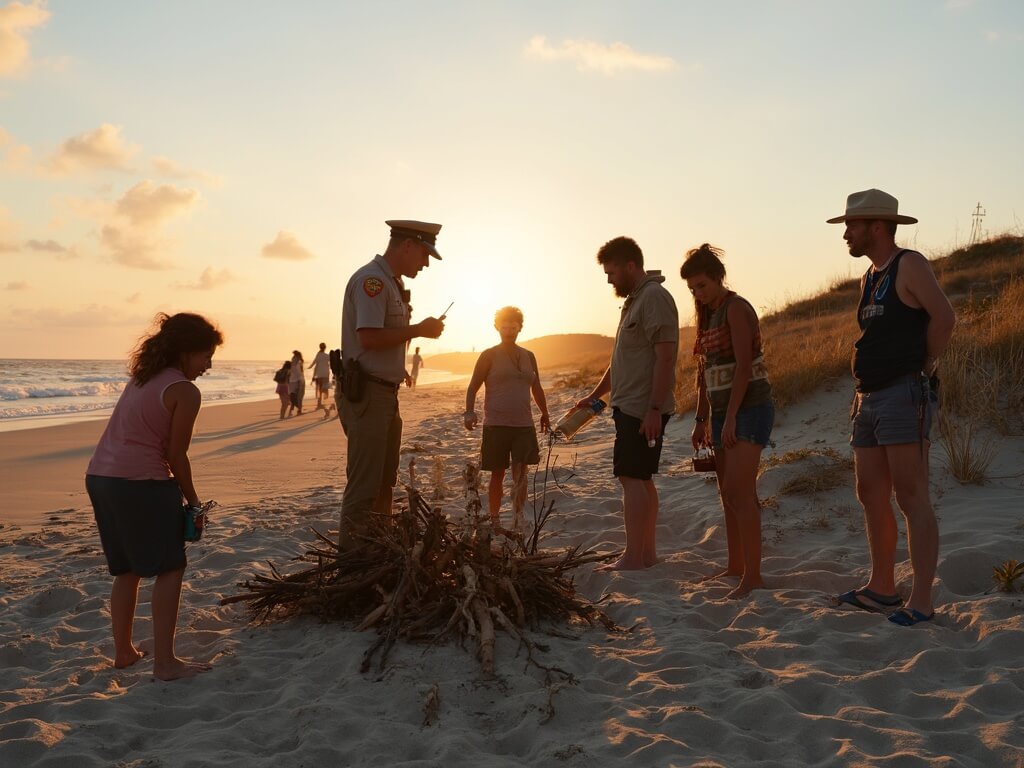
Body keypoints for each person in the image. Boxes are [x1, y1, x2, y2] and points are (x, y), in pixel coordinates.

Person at [826, 189, 955, 626]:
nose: (846, 233)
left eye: (851, 225)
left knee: (912, 497)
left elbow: (945, 317)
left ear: (877, 226)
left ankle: (921, 600)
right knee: (870, 494)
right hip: (868, 396)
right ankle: (882, 587)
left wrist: (922, 366)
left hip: (903, 393)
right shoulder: (870, 276)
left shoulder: (909, 264)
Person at [84, 312, 223, 681]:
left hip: (101, 477)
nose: (209, 364)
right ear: (186, 351)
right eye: (206, 355)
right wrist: (194, 503)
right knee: (171, 567)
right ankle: (164, 663)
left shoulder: (142, 377)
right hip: (139, 481)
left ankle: (125, 652)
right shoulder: (184, 391)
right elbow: (176, 455)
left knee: (127, 570)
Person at [336, 219, 446, 549]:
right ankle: (353, 563)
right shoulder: (373, 281)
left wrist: (400, 367)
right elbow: (368, 338)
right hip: (368, 394)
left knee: (385, 481)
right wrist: (418, 330)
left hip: (384, 392)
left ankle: (376, 550)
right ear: (408, 245)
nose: (425, 264)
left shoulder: (390, 283)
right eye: (424, 255)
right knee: (364, 486)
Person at [681, 244, 775, 599]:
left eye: (702, 286)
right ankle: (736, 566)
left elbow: (744, 367)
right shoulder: (707, 315)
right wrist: (702, 419)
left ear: (718, 278)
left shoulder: (736, 308)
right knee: (727, 495)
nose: (698, 294)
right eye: (692, 289)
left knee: (740, 491)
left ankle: (753, 576)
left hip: (750, 407)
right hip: (722, 411)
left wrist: (732, 415)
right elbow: (705, 374)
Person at [581, 236, 678, 571]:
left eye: (612, 272)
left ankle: (634, 556)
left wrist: (653, 409)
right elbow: (622, 358)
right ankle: (646, 554)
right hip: (632, 404)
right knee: (641, 478)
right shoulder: (635, 300)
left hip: (642, 407)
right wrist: (596, 394)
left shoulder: (654, 297)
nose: (609, 279)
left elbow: (666, 357)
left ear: (631, 266)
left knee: (631, 479)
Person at [464, 306, 551, 529]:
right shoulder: (489, 355)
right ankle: (494, 520)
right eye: (505, 327)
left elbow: (537, 387)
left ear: (519, 328)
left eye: (513, 327)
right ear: (497, 328)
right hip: (496, 424)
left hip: (523, 424)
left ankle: (517, 517)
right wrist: (469, 411)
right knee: (497, 474)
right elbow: (473, 386)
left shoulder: (529, 356)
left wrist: (545, 413)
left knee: (521, 473)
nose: (509, 331)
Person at [309, 342, 331, 409]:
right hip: (325, 374)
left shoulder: (318, 355)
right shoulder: (326, 356)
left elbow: (313, 364)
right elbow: (332, 362)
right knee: (324, 389)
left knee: (319, 389)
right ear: (325, 347)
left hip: (318, 375)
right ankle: (323, 403)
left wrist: (313, 375)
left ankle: (319, 404)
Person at [288, 349, 304, 416]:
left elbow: (291, 371)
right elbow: (300, 372)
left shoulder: (294, 360)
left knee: (293, 396)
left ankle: (291, 411)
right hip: (298, 380)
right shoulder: (299, 361)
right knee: (299, 396)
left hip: (292, 381)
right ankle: (299, 410)